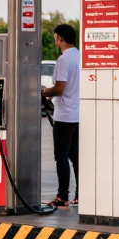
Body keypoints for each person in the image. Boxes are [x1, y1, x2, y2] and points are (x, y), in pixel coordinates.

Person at [41, 23, 80, 209]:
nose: (55, 40)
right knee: (75, 155)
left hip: (64, 115)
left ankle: (62, 196)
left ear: (60, 39)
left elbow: (59, 89)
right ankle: (81, 195)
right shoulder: (80, 56)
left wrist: (43, 93)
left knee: (61, 156)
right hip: (78, 114)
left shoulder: (63, 60)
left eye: (56, 37)